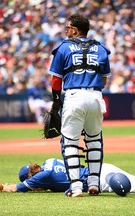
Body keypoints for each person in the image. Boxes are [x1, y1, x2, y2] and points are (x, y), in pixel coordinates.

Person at [47, 14, 111, 197]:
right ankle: (93, 184)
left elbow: (56, 81)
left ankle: (75, 187)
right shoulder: (100, 48)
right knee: (94, 141)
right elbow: (104, 80)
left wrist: (56, 102)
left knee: (69, 143)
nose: (66, 30)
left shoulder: (63, 48)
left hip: (74, 96)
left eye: (68, 27)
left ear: (75, 30)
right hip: (96, 96)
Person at [2, 158, 135, 195]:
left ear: (30, 175)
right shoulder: (50, 161)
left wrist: (0, 187)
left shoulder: (42, 176)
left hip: (102, 181)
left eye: (29, 179)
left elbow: (17, 189)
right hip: (102, 168)